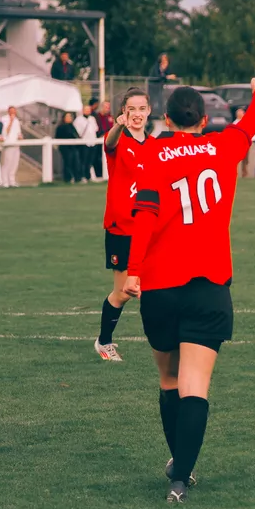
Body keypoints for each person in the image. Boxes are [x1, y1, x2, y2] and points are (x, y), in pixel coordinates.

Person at [123, 78, 255, 503]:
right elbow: (250, 124)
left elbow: (145, 215)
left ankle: (179, 466)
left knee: (170, 379)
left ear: (166, 119)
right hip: (209, 285)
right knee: (195, 385)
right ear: (205, 120)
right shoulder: (223, 146)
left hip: (161, 285)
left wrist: (133, 270)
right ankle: (180, 477)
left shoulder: (153, 152)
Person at [95, 87, 154, 361]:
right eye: (131, 109)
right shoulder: (119, 140)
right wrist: (117, 127)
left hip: (148, 228)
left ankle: (167, 338)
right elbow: (109, 141)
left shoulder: (154, 145)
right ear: (123, 112)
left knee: (155, 285)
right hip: (121, 228)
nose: (137, 114)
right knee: (123, 292)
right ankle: (104, 342)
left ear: (149, 111)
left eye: (142, 109)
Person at [74, 103, 100, 182]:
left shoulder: (92, 118)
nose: (88, 111)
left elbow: (95, 129)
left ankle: (88, 176)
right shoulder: (78, 119)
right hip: (84, 142)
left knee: (90, 160)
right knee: (83, 160)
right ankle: (82, 176)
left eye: (89, 110)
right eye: (86, 110)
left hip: (93, 142)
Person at [0, 106, 22, 188]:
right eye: (11, 111)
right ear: (8, 111)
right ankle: (5, 181)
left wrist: (20, 136)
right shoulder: (4, 119)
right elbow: (5, 132)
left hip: (16, 144)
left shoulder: (17, 120)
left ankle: (12, 181)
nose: (13, 113)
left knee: (14, 163)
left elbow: (18, 132)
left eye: (14, 111)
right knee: (6, 163)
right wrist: (11, 121)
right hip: (8, 144)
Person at [148, 53, 178, 118]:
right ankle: (149, 116)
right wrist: (167, 77)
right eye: (163, 60)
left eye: (166, 60)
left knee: (160, 100)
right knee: (151, 101)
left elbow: (165, 77)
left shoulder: (166, 68)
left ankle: (160, 115)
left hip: (159, 87)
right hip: (152, 86)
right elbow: (158, 76)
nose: (165, 62)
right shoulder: (156, 67)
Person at [55, 112, 82, 183]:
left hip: (73, 148)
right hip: (65, 148)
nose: (69, 118)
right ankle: (68, 178)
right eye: (67, 117)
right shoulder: (60, 127)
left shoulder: (72, 126)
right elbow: (57, 137)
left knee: (76, 163)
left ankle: (77, 178)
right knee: (67, 163)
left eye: (70, 117)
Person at [95, 101, 115, 179]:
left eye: (108, 107)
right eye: (106, 107)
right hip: (99, 140)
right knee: (98, 158)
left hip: (109, 140)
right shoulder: (97, 117)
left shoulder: (110, 117)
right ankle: (99, 174)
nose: (108, 109)